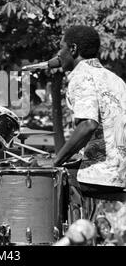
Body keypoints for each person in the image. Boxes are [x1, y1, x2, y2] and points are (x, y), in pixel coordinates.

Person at [53, 25, 126, 245]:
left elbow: (88, 124)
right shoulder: (114, 79)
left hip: (101, 176)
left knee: (55, 179)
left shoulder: (80, 75)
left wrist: (57, 160)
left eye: (61, 48)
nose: (59, 55)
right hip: (122, 170)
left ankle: (71, 236)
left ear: (73, 49)